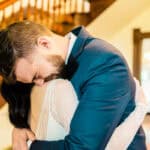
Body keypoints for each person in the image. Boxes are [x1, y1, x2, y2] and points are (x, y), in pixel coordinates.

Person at [0, 21, 147, 149]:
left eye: (37, 75)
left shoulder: (104, 63)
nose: (39, 83)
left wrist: (29, 145)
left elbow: (82, 147)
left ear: (44, 44)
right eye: (33, 81)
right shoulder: (58, 70)